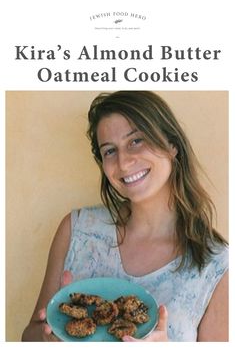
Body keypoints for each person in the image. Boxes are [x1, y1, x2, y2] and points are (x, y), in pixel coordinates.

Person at [21, 91, 228, 342]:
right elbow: (29, 335)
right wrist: (48, 337)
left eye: (136, 141)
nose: (124, 162)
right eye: (109, 151)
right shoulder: (76, 229)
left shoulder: (217, 266)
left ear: (172, 145)